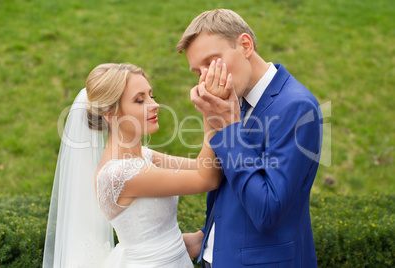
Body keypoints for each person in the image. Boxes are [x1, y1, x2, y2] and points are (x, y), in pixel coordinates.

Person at [43, 63, 231, 267]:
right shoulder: (120, 173)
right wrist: (211, 115)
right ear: (111, 115)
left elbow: (201, 166)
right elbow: (206, 179)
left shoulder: (144, 156)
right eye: (140, 100)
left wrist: (198, 240)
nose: (154, 105)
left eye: (152, 96)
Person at [177, 9, 323, 267]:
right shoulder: (237, 101)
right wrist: (205, 238)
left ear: (245, 45)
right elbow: (233, 192)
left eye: (211, 63)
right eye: (197, 72)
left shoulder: (297, 107)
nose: (205, 80)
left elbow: (267, 210)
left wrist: (229, 128)